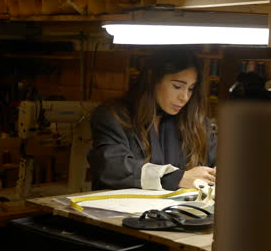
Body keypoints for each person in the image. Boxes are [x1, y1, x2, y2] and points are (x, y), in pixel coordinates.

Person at [87, 48, 217, 191]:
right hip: (125, 210)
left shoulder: (196, 123)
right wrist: (178, 178)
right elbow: (112, 167)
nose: (184, 97)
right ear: (152, 78)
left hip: (178, 211)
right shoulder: (113, 116)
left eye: (191, 89)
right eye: (177, 86)